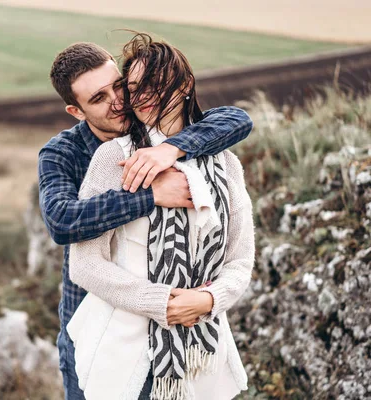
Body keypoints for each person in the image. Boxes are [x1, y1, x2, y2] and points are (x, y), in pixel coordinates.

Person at [39, 40, 253, 399]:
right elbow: (62, 221)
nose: (120, 101)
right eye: (99, 99)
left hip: (194, 339)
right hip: (97, 319)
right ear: (77, 111)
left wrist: (170, 149)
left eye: (120, 87)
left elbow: (238, 119)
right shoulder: (70, 153)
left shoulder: (206, 153)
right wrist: (150, 195)